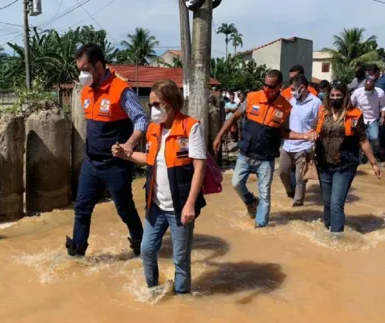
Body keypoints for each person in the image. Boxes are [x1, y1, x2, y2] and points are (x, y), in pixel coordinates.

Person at [112, 79, 206, 294]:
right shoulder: (154, 129)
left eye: (156, 104)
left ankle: (182, 299)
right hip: (156, 205)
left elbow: (199, 167)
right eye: (150, 105)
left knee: (180, 259)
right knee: (146, 250)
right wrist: (125, 154)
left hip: (180, 205)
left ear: (171, 103)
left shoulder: (191, 127)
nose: (152, 109)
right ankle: (153, 290)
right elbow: (149, 158)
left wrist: (190, 204)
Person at [65, 43, 148, 257]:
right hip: (91, 162)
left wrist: (129, 144)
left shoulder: (120, 89)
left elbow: (140, 119)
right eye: (79, 70)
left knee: (124, 208)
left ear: (98, 65)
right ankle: (77, 253)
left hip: (116, 165)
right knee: (82, 209)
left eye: (85, 69)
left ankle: (142, 247)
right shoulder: (86, 92)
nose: (82, 74)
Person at [212, 70, 318, 228]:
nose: (266, 89)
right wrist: (219, 136)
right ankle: (250, 201)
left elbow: (284, 132)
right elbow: (234, 117)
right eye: (265, 85)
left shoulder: (285, 107)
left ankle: (260, 228)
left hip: (265, 158)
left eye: (271, 86)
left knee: (265, 195)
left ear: (280, 86)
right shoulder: (252, 97)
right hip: (245, 153)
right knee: (235, 183)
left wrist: (304, 136)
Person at [314, 81, 382, 232]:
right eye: (332, 95)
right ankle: (327, 231)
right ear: (328, 96)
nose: (335, 98)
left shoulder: (355, 114)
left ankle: (336, 237)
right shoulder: (322, 112)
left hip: (344, 165)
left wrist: (374, 163)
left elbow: (363, 141)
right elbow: (315, 132)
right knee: (326, 203)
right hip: (324, 164)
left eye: (339, 95)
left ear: (345, 96)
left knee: (336, 204)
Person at [279, 75, 322, 207]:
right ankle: (290, 192)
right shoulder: (292, 101)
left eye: (293, 89)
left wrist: (313, 138)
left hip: (304, 146)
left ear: (302, 87)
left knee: (300, 178)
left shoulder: (316, 103)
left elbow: (318, 124)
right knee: (282, 172)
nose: (291, 91)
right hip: (288, 144)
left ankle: (297, 206)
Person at [351, 79, 385, 160]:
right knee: (361, 139)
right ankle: (362, 156)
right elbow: (351, 104)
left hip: (373, 119)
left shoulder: (380, 92)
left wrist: (382, 117)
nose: (368, 91)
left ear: (374, 87)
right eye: (366, 89)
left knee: (375, 139)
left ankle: (372, 155)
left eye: (370, 90)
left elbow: (383, 106)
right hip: (360, 118)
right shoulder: (358, 92)